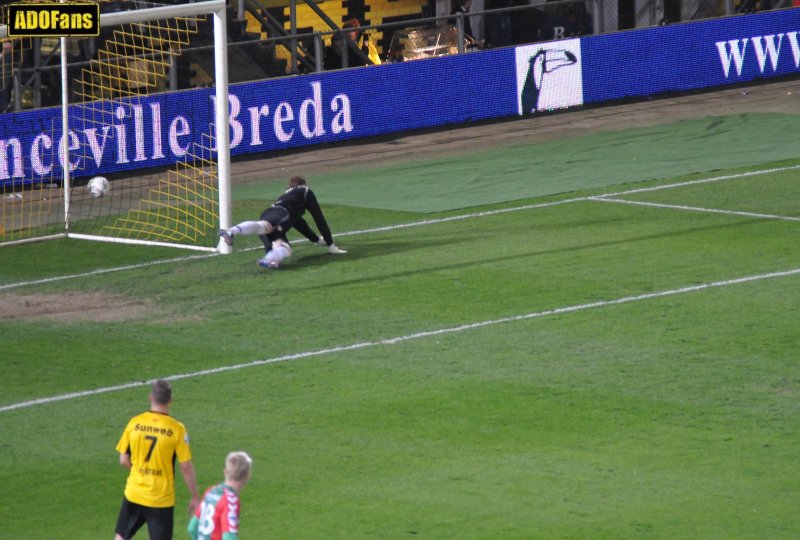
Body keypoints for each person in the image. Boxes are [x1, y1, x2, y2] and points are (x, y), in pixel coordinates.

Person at [114, 379, 200, 540]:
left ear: (150, 397)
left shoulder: (135, 423)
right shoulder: (177, 429)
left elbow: (123, 459)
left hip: (134, 492)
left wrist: (140, 472)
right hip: (160, 498)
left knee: (121, 536)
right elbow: (186, 466)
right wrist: (195, 495)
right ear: (171, 400)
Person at [219, 175, 347, 270]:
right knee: (268, 232)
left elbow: (299, 223)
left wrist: (317, 240)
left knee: (275, 239)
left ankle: (267, 258)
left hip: (269, 213)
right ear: (305, 184)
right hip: (281, 215)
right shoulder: (305, 191)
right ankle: (234, 232)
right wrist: (331, 246)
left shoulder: (288, 198)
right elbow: (319, 218)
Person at [187, 451, 253, 540]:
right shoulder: (230, 500)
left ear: (225, 471)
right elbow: (229, 537)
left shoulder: (210, 491)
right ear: (247, 476)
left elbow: (192, 527)